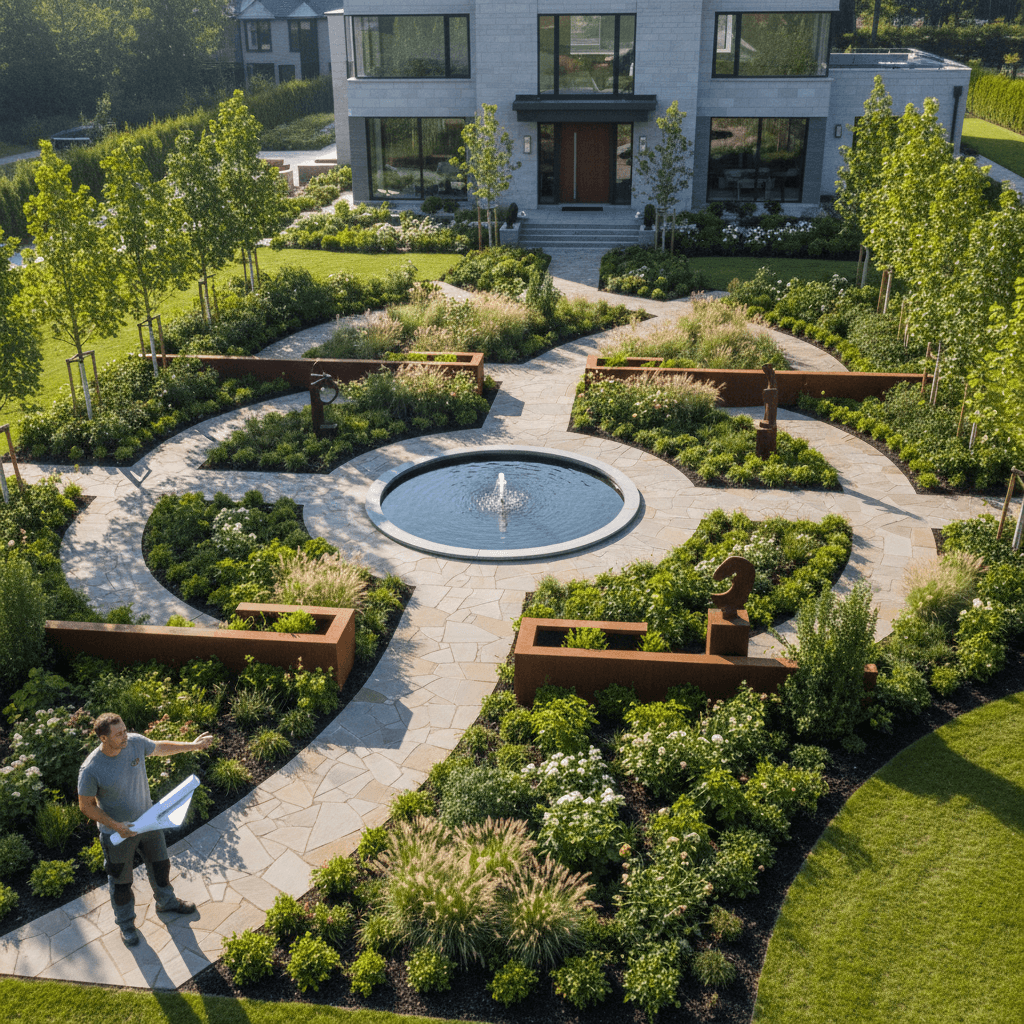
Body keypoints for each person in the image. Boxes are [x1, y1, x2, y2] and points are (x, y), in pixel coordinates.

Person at [78, 712, 214, 947]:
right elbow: (86, 806)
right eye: (118, 734)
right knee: (121, 882)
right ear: (103, 738)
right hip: (118, 834)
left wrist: (193, 746)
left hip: (149, 821)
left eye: (124, 729)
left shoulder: (134, 743)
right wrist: (117, 826)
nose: (125, 736)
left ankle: (167, 902)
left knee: (161, 864)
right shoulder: (91, 769)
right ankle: (126, 924)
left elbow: (159, 747)